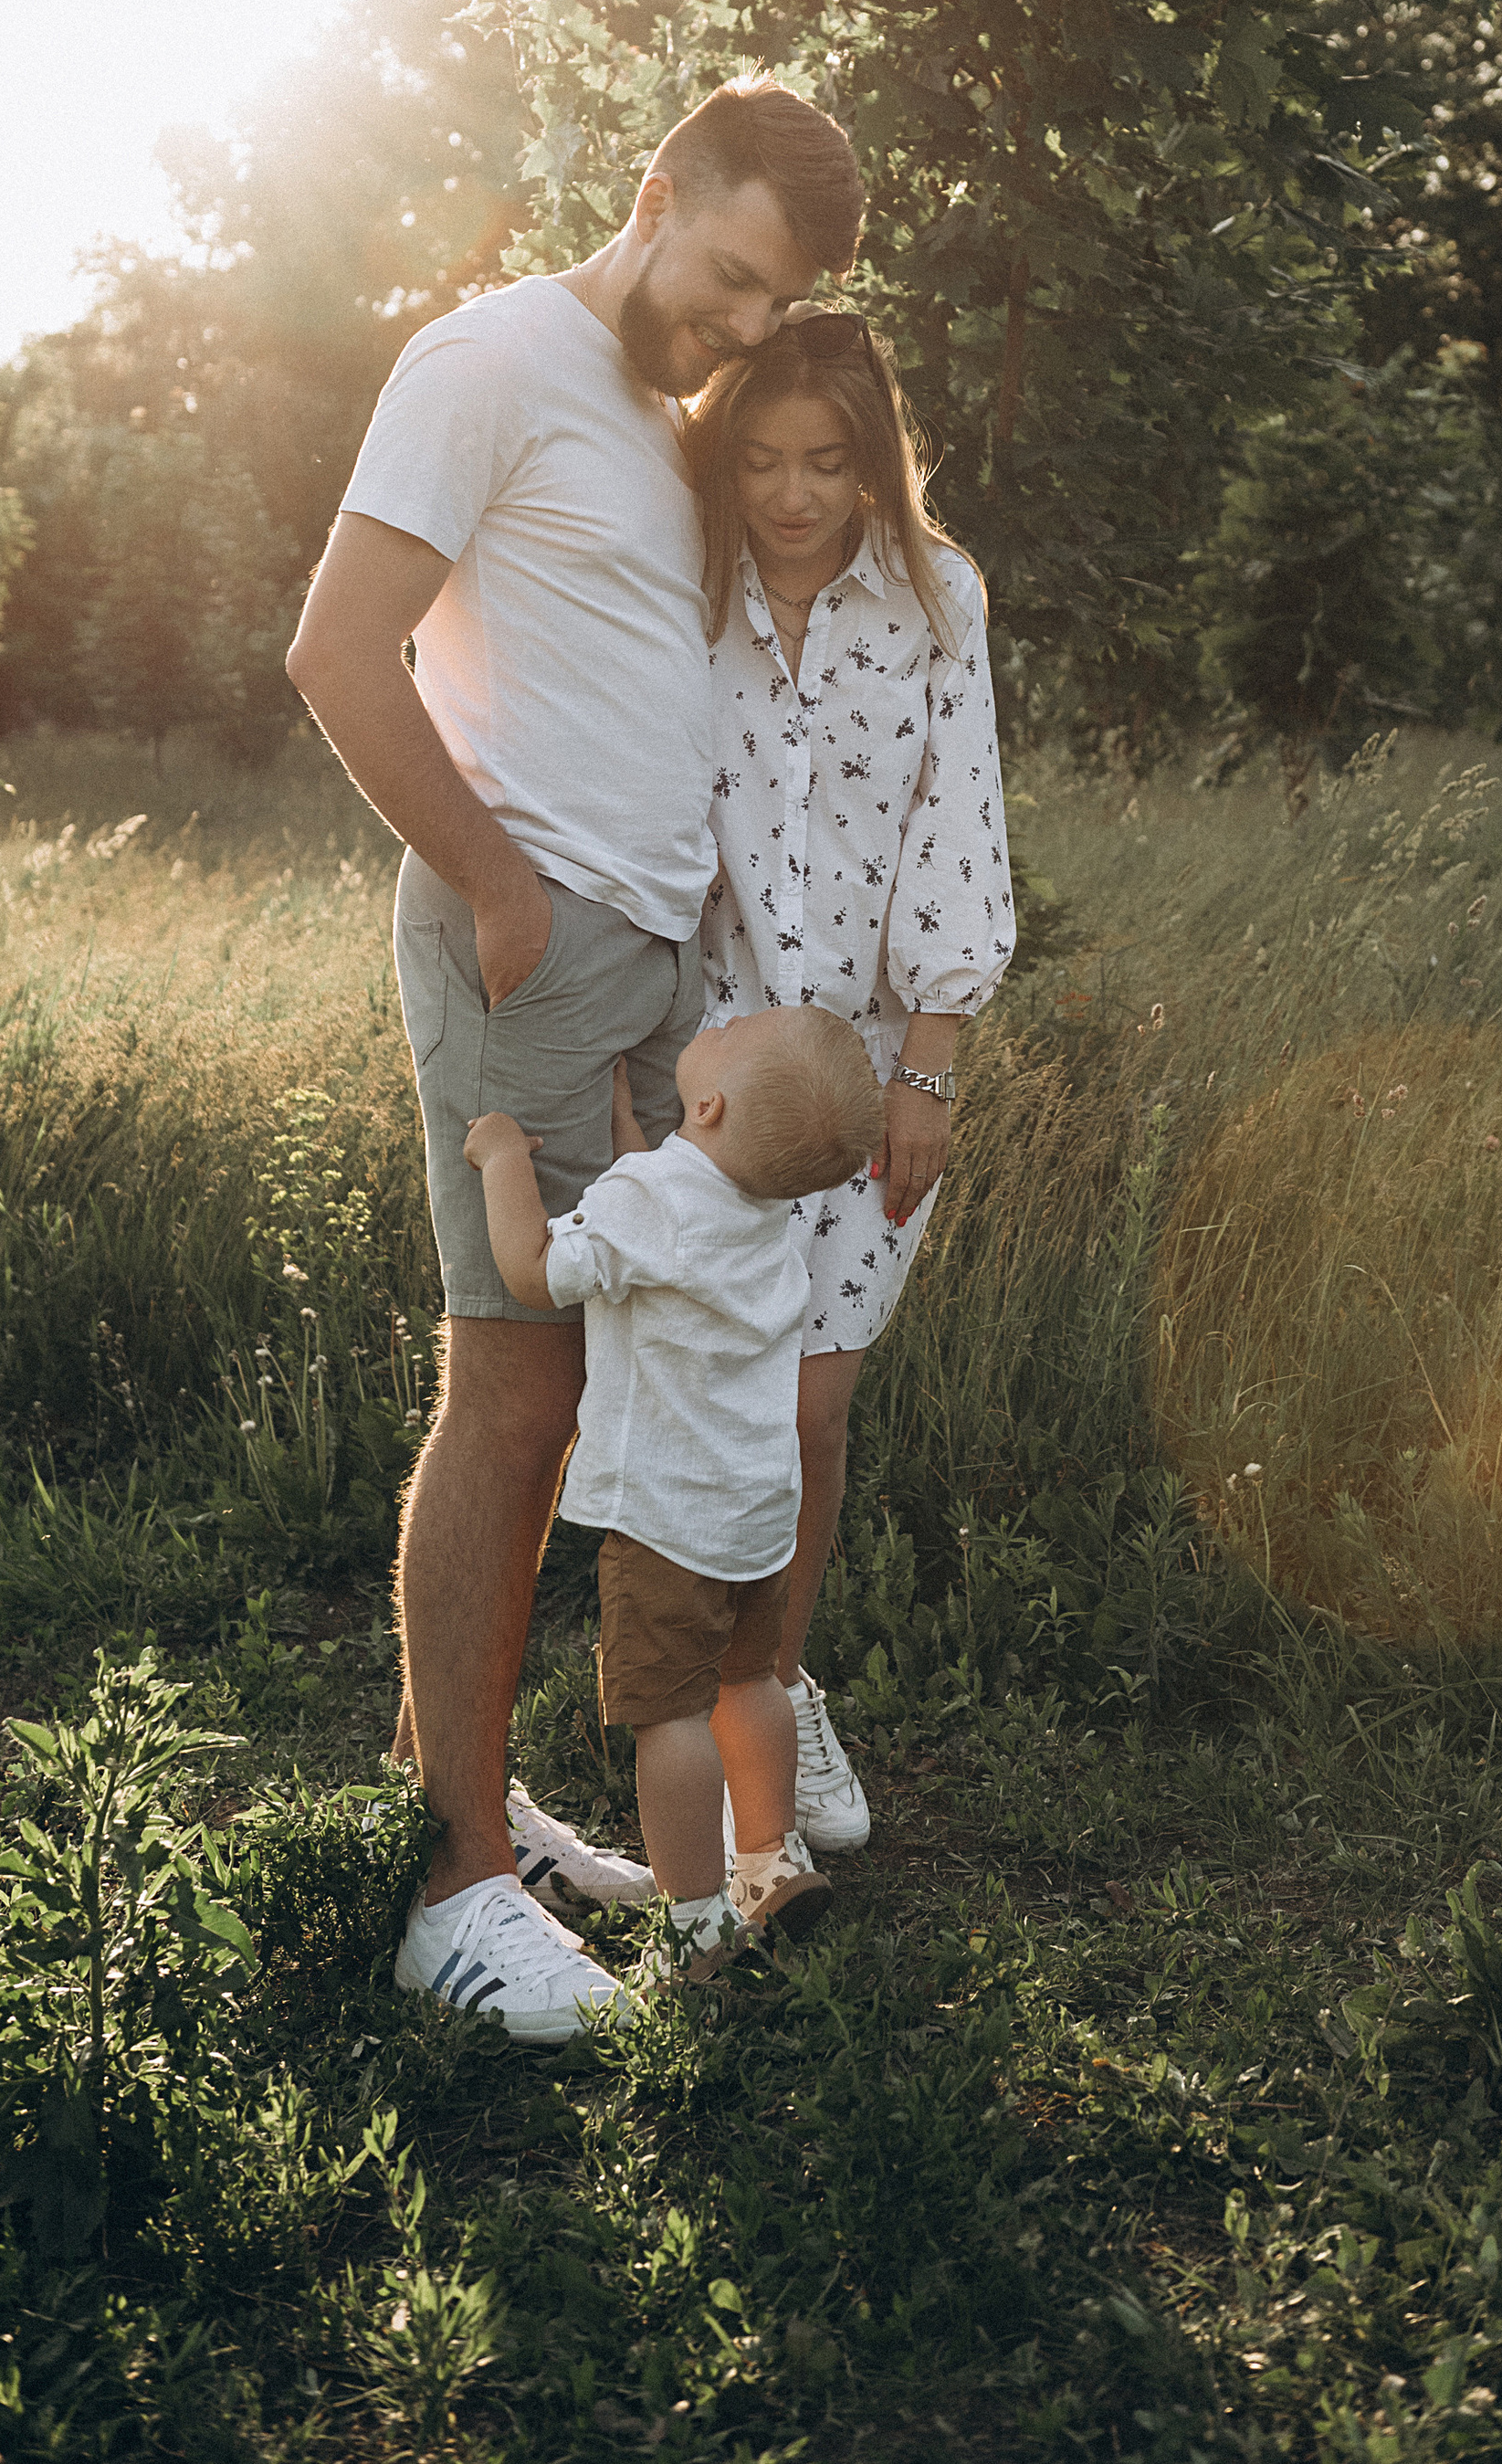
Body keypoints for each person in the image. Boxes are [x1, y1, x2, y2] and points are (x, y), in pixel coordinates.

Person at [285, 79, 864, 2045]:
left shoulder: (640, 411)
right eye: (721, 277)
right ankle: (447, 1891)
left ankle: (459, 1795)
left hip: (626, 966)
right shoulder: (491, 358)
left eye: (761, 309)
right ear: (656, 191)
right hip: (522, 949)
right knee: (513, 1393)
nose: (727, 328)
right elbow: (336, 649)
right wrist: (494, 885)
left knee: (568, 1383)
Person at [679, 310, 1016, 1859]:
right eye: (760, 459)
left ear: (875, 462)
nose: (794, 493)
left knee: (814, 1412)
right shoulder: (680, 594)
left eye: (826, 462)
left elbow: (962, 825)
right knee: (703, 1406)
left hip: (872, 1068)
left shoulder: (938, 600)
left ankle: (778, 1684)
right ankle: (688, 1715)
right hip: (712, 1062)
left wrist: (932, 1069)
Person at [457, 1005, 886, 2002]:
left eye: (736, 1029)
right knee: (751, 1685)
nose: (725, 1018)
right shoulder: (758, 1204)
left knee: (670, 1714)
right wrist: (628, 1128)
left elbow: (534, 1272)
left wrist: (501, 1160)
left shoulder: (653, 1197)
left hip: (665, 1518)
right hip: (754, 1509)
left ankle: (694, 1922)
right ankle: (770, 1865)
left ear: (708, 1099)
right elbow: (657, 1195)